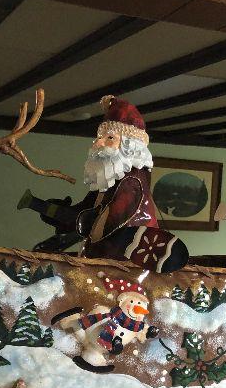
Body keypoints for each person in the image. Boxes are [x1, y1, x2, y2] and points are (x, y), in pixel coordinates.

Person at [44, 95, 188, 273]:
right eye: (99, 137)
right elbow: (87, 211)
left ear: (129, 146)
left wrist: (74, 220)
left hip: (123, 264)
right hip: (101, 259)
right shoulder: (110, 179)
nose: (98, 143)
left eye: (109, 138)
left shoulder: (132, 181)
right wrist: (56, 213)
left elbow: (108, 224)